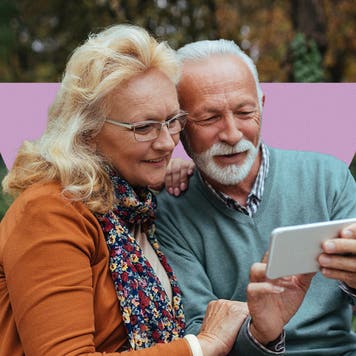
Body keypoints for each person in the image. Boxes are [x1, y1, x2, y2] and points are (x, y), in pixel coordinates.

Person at [0, 25, 308, 356]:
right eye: (143, 127)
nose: (165, 143)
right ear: (87, 131)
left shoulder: (135, 203)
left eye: (172, 121)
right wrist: (200, 346)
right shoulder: (50, 210)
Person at [155, 39, 356, 355]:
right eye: (209, 118)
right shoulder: (169, 210)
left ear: (262, 105)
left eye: (245, 112)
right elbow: (198, 332)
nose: (232, 134)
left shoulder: (327, 177)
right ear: (178, 125)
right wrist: (261, 333)